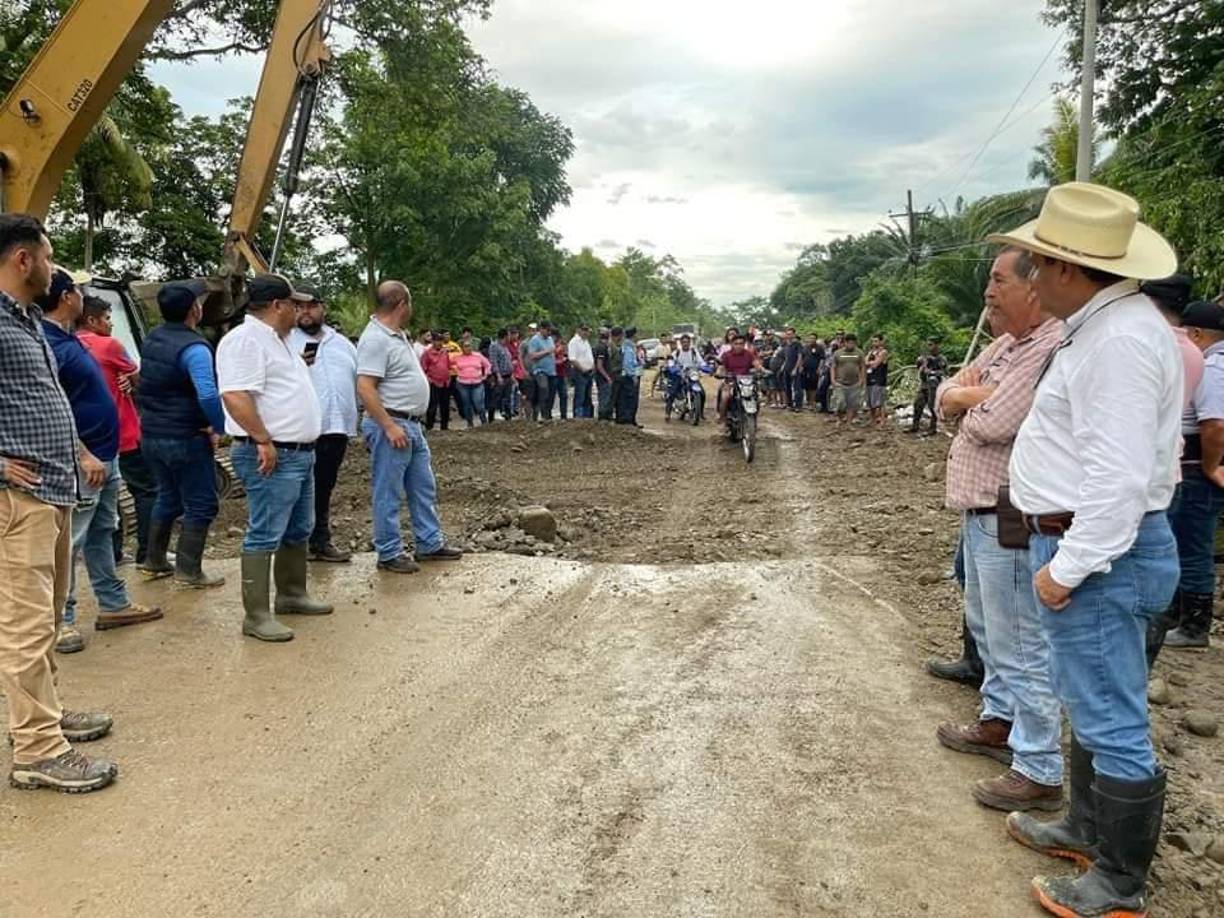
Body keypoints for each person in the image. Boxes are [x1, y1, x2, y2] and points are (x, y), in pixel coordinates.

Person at [991, 182, 1181, 918]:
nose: (1031, 280)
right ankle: (1085, 829)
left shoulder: (1121, 341)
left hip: (1099, 555)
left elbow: (1120, 478)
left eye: (1037, 267)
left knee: (1112, 717)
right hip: (1089, 550)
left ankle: (1118, 883)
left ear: (1069, 270)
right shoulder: (1104, 328)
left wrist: (1065, 571)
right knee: (1089, 701)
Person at [933, 247, 1065, 813]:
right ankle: (998, 721)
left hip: (1011, 508)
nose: (987, 291)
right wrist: (961, 393)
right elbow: (945, 396)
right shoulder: (1007, 344)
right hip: (984, 509)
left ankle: (1038, 765)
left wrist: (968, 396)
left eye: (996, 280)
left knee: (1019, 641)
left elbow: (995, 423)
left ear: (1032, 290)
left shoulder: (1048, 345)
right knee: (988, 626)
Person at [0, 214, 116, 793]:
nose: (52, 267)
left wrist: (76, 450)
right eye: (46, 256)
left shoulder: (24, 321)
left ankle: (40, 718)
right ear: (23, 259)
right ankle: (37, 751)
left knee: (44, 619)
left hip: (52, 489)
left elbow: (41, 403)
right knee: (22, 626)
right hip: (15, 499)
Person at [36, 268, 162, 651]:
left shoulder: (69, 339)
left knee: (102, 531)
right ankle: (63, 620)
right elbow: (50, 410)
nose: (81, 294)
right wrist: (83, 453)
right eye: (76, 288)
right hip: (85, 459)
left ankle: (113, 603)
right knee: (70, 541)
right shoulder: (48, 345)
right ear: (65, 298)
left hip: (106, 456)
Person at [217, 274, 332, 643]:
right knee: (265, 530)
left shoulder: (279, 342)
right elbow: (235, 395)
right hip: (272, 453)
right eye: (294, 304)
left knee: (299, 526)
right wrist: (262, 439)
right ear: (277, 306)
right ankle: (256, 615)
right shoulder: (244, 341)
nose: (300, 311)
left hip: (298, 453)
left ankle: (292, 593)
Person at [356, 280, 463, 574]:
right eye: (411, 303)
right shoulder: (376, 339)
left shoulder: (395, 335)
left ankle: (429, 542)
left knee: (422, 487)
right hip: (393, 424)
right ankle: (389, 551)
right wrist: (388, 426)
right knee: (388, 490)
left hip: (411, 424)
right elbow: (365, 387)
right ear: (402, 304)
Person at [136, 280, 226, 591]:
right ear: (195, 310)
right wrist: (219, 426)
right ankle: (189, 570)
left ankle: (154, 560)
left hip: (151, 435)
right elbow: (208, 394)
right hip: (185, 437)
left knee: (168, 496)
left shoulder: (152, 340)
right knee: (201, 503)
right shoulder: (195, 348)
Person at [1149, 299, 1224, 655]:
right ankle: (1180, 616)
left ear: (1195, 333)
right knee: (1188, 544)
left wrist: (1210, 466)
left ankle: (1193, 624)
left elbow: (1213, 428)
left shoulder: (1211, 367)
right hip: (1198, 466)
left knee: (1192, 547)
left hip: (1198, 467)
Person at [77, 294, 156, 569]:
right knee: (145, 492)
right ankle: (149, 554)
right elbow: (140, 381)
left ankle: (113, 554)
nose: (110, 324)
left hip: (89, 441)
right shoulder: (108, 345)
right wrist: (130, 381)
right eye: (107, 318)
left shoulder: (68, 346)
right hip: (124, 431)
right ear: (91, 320)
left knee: (100, 505)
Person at [288, 285, 358, 563]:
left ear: (322, 308)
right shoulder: (286, 342)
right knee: (298, 490)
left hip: (336, 429)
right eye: (300, 306)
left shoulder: (342, 344)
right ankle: (294, 546)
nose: (306, 312)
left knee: (324, 486)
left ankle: (319, 541)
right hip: (302, 431)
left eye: (311, 305)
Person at [716, 333, 762, 423]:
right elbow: (721, 367)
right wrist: (719, 373)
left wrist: (762, 371)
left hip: (747, 382)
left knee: (757, 398)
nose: (739, 346)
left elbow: (757, 365)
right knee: (725, 397)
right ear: (732, 344)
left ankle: (753, 418)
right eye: (736, 343)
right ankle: (722, 417)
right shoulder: (726, 355)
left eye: (741, 343)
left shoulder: (749, 354)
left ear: (744, 344)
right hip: (730, 381)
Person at [454, 337, 491, 428]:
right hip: (463, 383)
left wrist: (485, 375)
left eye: (469, 346)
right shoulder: (457, 357)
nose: (468, 348)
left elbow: (488, 365)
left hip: (477, 383)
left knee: (478, 403)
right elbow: (449, 365)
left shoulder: (478, 355)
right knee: (466, 404)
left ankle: (484, 421)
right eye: (466, 346)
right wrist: (455, 372)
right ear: (462, 347)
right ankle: (470, 423)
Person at [912, 339, 948, 435]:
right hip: (924, 384)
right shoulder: (924, 358)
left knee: (932, 406)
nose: (929, 347)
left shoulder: (941, 359)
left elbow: (943, 372)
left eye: (931, 345)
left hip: (934, 384)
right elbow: (919, 368)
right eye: (928, 345)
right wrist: (921, 365)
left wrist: (931, 372)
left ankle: (932, 428)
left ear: (936, 346)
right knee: (917, 404)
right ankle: (914, 426)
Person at [830, 332, 865, 424]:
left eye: (853, 343)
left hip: (854, 382)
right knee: (841, 402)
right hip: (840, 382)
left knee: (852, 404)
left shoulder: (859, 353)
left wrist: (861, 380)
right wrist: (833, 380)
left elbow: (862, 367)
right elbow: (833, 367)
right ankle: (839, 418)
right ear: (844, 342)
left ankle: (849, 422)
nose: (851, 345)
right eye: (849, 343)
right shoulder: (838, 353)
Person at [421, 334, 453, 431]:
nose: (439, 343)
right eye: (437, 341)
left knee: (445, 405)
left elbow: (448, 365)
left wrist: (449, 377)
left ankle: (445, 426)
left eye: (440, 341)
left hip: (445, 382)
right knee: (433, 406)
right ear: (433, 342)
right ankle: (429, 426)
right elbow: (423, 368)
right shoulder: (427, 353)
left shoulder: (445, 352)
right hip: (433, 382)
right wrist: (428, 379)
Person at [527, 321, 557, 421]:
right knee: (544, 390)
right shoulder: (535, 340)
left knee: (552, 394)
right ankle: (542, 415)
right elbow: (532, 356)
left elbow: (552, 352)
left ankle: (548, 414)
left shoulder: (550, 339)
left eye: (550, 331)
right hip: (540, 370)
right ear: (542, 329)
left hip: (551, 371)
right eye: (548, 330)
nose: (549, 332)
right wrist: (546, 352)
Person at [488, 328, 515, 421]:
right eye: (508, 335)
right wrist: (498, 375)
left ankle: (508, 417)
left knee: (507, 397)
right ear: (505, 336)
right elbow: (494, 361)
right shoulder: (494, 346)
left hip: (508, 375)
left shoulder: (505, 347)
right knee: (496, 396)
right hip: (500, 376)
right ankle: (491, 418)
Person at [568, 324, 595, 418]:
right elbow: (572, 359)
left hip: (589, 371)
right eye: (584, 330)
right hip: (580, 372)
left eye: (587, 331)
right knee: (580, 395)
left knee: (588, 396)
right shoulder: (574, 342)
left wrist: (592, 366)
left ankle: (587, 416)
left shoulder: (586, 342)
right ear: (578, 330)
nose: (586, 332)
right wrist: (582, 369)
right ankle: (578, 416)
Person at [620, 325, 644, 426]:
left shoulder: (631, 346)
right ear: (633, 335)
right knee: (631, 399)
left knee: (632, 399)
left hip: (632, 375)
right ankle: (628, 420)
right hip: (630, 377)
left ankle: (631, 420)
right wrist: (633, 376)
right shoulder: (628, 348)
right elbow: (627, 364)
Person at [864, 334, 890, 427]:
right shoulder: (871, 352)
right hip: (870, 377)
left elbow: (876, 364)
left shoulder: (883, 352)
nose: (874, 343)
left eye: (876, 341)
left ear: (881, 341)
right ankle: (872, 419)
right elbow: (865, 362)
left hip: (880, 378)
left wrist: (870, 363)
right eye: (873, 341)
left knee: (880, 401)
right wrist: (870, 363)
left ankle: (883, 420)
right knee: (870, 400)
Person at [780, 326, 803, 411]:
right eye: (787, 334)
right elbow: (786, 357)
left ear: (794, 334)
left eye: (790, 334)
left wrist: (796, 368)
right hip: (787, 368)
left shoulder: (797, 344)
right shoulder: (787, 344)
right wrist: (783, 366)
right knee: (787, 387)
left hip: (794, 368)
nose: (788, 335)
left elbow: (800, 356)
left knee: (797, 388)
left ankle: (798, 405)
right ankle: (790, 404)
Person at [595, 328, 616, 421]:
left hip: (602, 377)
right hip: (603, 379)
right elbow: (599, 365)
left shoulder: (600, 347)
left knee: (605, 398)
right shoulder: (602, 348)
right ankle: (603, 418)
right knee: (604, 399)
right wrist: (608, 378)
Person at [801, 335, 824, 411]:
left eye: (813, 338)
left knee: (813, 387)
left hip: (814, 369)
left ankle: (812, 403)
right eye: (810, 338)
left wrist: (819, 368)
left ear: (816, 339)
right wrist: (801, 366)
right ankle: (808, 402)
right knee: (806, 386)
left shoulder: (819, 348)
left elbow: (822, 359)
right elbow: (802, 357)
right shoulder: (805, 347)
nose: (812, 339)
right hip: (805, 369)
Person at [553, 333, 570, 420]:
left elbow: (566, 357)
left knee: (564, 395)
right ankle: (548, 415)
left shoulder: (563, 347)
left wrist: (565, 358)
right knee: (551, 395)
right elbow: (552, 359)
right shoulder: (551, 347)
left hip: (562, 374)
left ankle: (564, 415)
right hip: (553, 374)